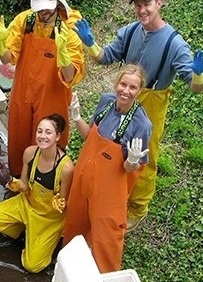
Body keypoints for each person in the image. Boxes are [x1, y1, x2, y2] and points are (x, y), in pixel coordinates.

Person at [72, 0, 203, 230]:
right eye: (137, 5)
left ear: (159, 4)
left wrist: (198, 75)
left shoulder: (174, 44)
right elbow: (105, 57)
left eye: (146, 4)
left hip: (152, 101)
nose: (142, 10)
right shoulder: (130, 31)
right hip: (124, 95)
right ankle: (114, 190)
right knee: (114, 145)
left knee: (145, 156)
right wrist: (90, 43)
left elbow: (195, 87)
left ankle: (138, 208)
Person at [63, 64, 152, 273]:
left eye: (132, 88)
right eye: (123, 84)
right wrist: (76, 118)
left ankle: (105, 275)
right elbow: (90, 136)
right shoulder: (106, 102)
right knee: (75, 224)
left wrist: (132, 160)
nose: (126, 91)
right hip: (85, 177)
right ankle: (69, 269)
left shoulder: (142, 125)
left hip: (110, 191)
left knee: (107, 239)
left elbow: (131, 169)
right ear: (116, 83)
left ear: (139, 91)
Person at [0, 0, 85, 177]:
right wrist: (1, 42)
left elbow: (71, 76)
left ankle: (47, 182)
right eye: (39, 9)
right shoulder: (25, 21)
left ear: (57, 4)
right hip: (23, 91)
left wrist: (64, 55)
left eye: (46, 9)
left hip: (52, 95)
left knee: (48, 140)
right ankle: (19, 180)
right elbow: (8, 59)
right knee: (19, 138)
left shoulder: (69, 31)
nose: (41, 14)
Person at [0, 113, 74, 273]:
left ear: (58, 136)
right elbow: (23, 186)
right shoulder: (30, 153)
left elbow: (64, 202)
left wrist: (59, 203)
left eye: (48, 132)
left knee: (32, 266)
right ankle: (21, 229)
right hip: (26, 204)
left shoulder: (66, 168)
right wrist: (8, 180)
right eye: (39, 131)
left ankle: (39, 239)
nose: (42, 136)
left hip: (47, 219)